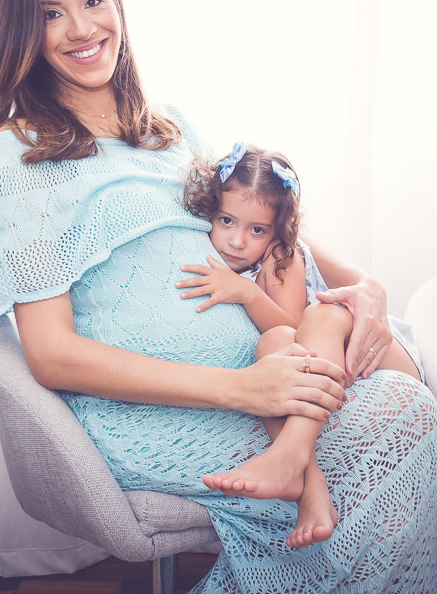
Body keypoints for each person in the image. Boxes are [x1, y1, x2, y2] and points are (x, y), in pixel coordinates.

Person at [0, 0, 437, 593]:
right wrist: (240, 389)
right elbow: (51, 354)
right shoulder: (26, 156)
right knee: (403, 414)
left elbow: (268, 226)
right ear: (26, 31)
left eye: (93, 0)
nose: (80, 28)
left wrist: (368, 288)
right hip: (157, 411)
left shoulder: (170, 128)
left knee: (400, 386)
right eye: (50, 13)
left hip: (259, 374)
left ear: (118, 6)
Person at [177, 143, 424, 549]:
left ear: (276, 230)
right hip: (329, 364)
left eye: (256, 229)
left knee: (316, 318)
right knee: (272, 350)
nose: (237, 241)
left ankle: (292, 458)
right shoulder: (215, 247)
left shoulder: (282, 256)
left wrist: (247, 293)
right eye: (226, 220)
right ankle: (311, 486)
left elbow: (295, 328)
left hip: (382, 357)